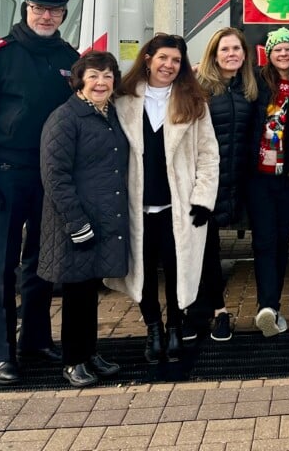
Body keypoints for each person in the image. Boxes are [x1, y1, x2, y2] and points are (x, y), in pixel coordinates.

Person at [0, 0, 80, 385]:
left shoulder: (70, 57)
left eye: (54, 9)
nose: (46, 15)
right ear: (25, 8)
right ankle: (1, 352)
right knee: (0, 268)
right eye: (39, 8)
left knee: (43, 264)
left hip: (50, 177)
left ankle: (36, 339)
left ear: (64, 13)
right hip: (5, 177)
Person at [108, 34, 219, 363]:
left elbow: (208, 154)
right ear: (148, 59)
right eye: (163, 58)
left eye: (176, 60)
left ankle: (174, 328)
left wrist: (203, 198)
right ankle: (153, 328)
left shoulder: (193, 101)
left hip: (178, 205)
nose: (169, 65)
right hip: (135, 204)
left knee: (176, 269)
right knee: (141, 271)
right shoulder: (123, 99)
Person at [39, 51, 129, 387]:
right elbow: (54, 175)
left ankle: (90, 353)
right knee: (76, 293)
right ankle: (73, 361)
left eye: (107, 76)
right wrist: (76, 223)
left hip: (101, 219)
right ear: (79, 80)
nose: (101, 82)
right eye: (93, 75)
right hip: (74, 222)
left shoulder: (109, 114)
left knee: (90, 290)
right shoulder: (66, 118)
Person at [193, 27, 258, 342]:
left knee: (215, 247)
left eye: (236, 49)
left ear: (244, 54)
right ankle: (215, 311)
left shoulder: (250, 87)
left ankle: (205, 309)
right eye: (225, 49)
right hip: (204, 182)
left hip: (237, 180)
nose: (231, 54)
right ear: (214, 55)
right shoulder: (198, 88)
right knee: (205, 249)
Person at [249, 26, 289, 338]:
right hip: (259, 176)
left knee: (282, 242)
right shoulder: (257, 81)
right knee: (263, 240)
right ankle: (266, 307)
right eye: (277, 49)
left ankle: (273, 304)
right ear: (268, 55)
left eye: (288, 48)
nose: (283, 53)